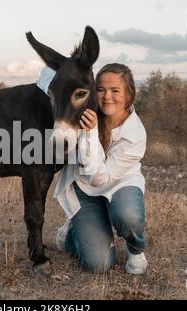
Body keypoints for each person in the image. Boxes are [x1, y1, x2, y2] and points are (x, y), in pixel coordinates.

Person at [37, 63, 148, 274]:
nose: (107, 96)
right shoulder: (83, 110)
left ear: (128, 95)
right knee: (99, 264)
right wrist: (74, 68)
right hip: (83, 189)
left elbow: (100, 178)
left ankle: (135, 249)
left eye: (115, 91)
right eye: (101, 89)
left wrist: (89, 133)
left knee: (128, 216)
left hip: (119, 184)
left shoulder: (135, 133)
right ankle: (71, 234)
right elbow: (46, 78)